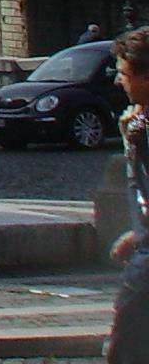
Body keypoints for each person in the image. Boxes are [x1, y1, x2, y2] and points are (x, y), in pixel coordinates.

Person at [106, 26, 149, 362]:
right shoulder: (139, 125)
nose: (119, 82)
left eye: (124, 74)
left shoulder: (142, 130)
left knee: (125, 351)